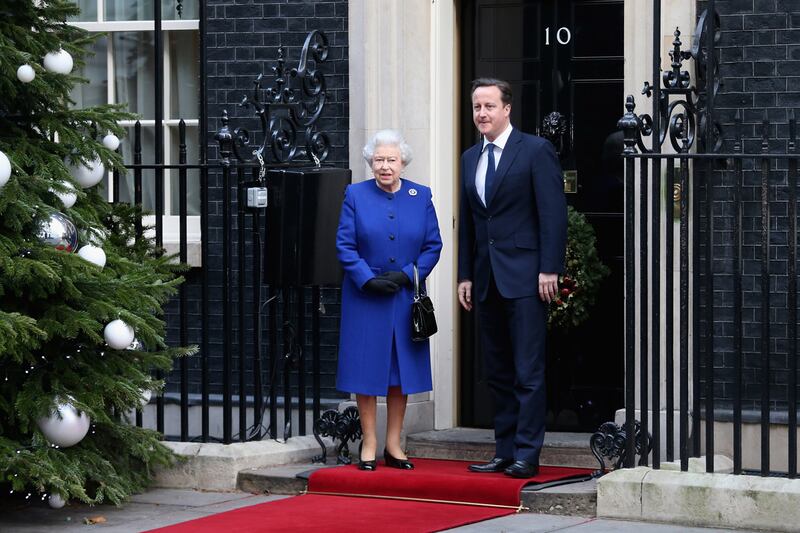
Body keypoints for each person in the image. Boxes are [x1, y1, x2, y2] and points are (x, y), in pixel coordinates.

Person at [457, 78, 567, 478]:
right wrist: (465, 274)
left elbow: (553, 214)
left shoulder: (536, 151)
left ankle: (527, 452)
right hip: (486, 279)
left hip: (526, 277)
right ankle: (503, 450)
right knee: (498, 372)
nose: (481, 114)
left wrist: (549, 268)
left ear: (507, 109)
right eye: (476, 107)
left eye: (488, 106)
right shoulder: (470, 157)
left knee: (527, 371)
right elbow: (471, 221)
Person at [336, 129, 443, 471]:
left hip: (405, 296)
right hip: (365, 296)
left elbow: (433, 245)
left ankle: (394, 444)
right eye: (379, 160)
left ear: (403, 162)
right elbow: (345, 245)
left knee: (401, 373)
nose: (385, 166)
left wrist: (409, 274)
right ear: (370, 162)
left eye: (391, 160)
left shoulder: (420, 195)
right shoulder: (355, 194)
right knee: (366, 371)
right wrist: (367, 279)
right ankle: (369, 442)